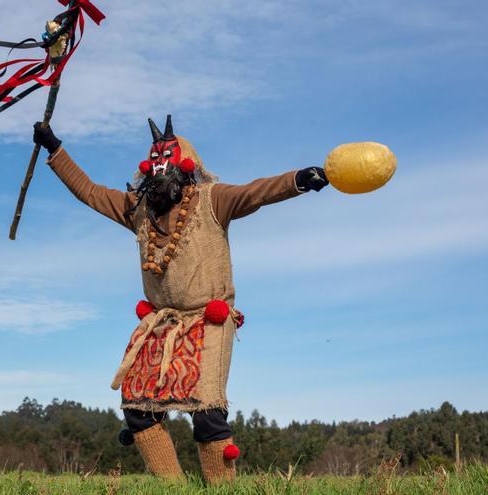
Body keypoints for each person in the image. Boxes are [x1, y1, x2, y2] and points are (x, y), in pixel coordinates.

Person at [32, 115, 328, 484]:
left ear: (188, 165)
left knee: (206, 414)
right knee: (138, 409)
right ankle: (173, 488)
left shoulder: (213, 200)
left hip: (210, 320)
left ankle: (220, 489)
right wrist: (55, 148)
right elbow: (90, 192)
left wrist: (299, 179)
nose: (160, 169)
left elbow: (257, 192)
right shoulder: (136, 209)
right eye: (154, 162)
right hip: (160, 322)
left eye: (168, 160)